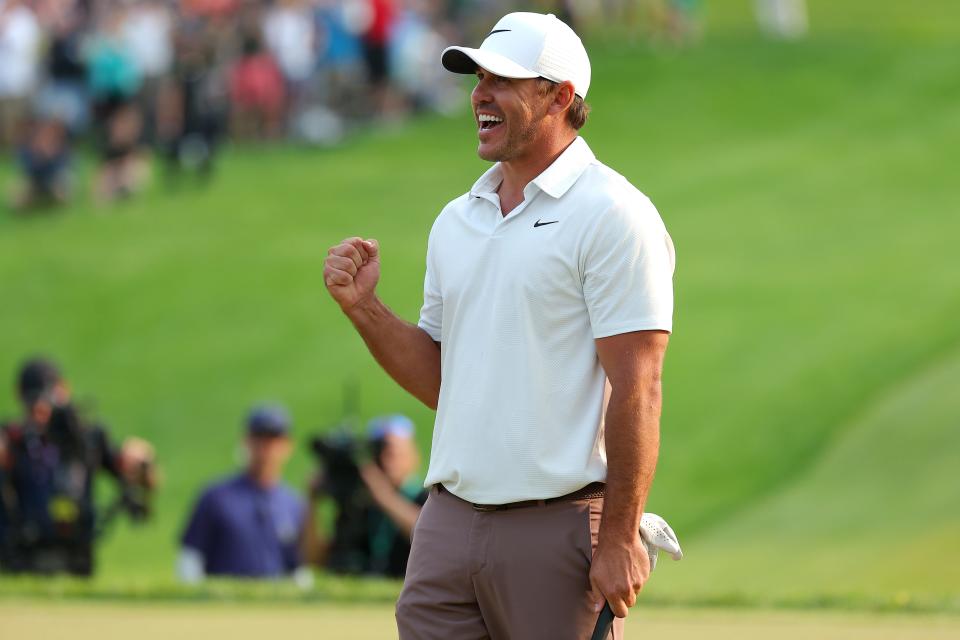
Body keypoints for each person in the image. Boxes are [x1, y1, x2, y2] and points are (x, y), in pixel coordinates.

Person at [322, 11, 675, 639]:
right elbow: (446, 384)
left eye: (503, 81)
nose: (479, 95)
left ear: (561, 96)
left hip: (558, 527)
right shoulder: (456, 221)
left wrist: (620, 536)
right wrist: (366, 310)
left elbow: (638, 386)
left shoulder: (614, 214)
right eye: (477, 78)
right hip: (447, 526)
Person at [0, 357, 157, 576]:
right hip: (20, 556)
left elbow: (140, 479)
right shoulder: (12, 439)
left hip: (77, 557)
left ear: (64, 389)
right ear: (20, 396)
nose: (41, 410)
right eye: (34, 402)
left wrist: (142, 462)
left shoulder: (87, 439)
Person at [177, 404, 309, 583]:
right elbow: (190, 558)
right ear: (246, 441)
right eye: (259, 439)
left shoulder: (293, 504)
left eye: (272, 440)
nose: (265, 449)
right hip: (223, 605)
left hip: (276, 606)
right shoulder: (216, 497)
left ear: (287, 446)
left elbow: (298, 569)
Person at [304, 414, 427, 578]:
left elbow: (426, 536)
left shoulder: (427, 499)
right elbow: (316, 559)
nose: (386, 461)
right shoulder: (361, 505)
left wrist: (383, 496)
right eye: (379, 452)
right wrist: (312, 503)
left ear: (414, 456)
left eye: (393, 453)